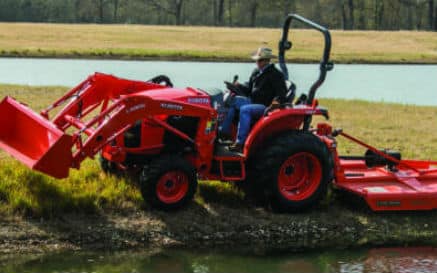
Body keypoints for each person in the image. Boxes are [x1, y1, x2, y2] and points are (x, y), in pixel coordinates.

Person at [219, 47, 287, 152]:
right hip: (251, 100)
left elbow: (282, 93)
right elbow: (249, 88)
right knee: (229, 100)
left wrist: (276, 102)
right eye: (256, 60)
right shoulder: (256, 72)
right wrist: (237, 86)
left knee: (245, 109)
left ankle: (240, 143)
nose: (257, 62)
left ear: (267, 60)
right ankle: (223, 133)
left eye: (260, 60)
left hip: (265, 105)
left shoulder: (276, 74)